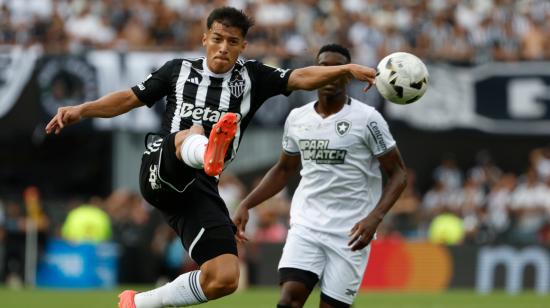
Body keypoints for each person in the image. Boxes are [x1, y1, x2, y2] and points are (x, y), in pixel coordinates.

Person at [45, 7, 376, 308]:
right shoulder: (177, 70)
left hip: (200, 187)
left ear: (243, 46)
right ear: (204, 38)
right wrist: (81, 109)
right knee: (194, 131)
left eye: (233, 41)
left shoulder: (253, 76)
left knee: (224, 277)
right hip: (161, 168)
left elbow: (300, 77)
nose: (223, 47)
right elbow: (128, 99)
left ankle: (138, 303)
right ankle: (205, 148)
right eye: (217, 39)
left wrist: (345, 69)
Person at [233, 44, 407, 308]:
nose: (330, 73)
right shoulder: (297, 118)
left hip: (351, 233)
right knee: (288, 300)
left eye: (338, 68)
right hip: (307, 226)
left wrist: (375, 217)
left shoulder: (368, 119)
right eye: (323, 67)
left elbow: (399, 174)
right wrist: (247, 204)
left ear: (348, 75)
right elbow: (283, 169)